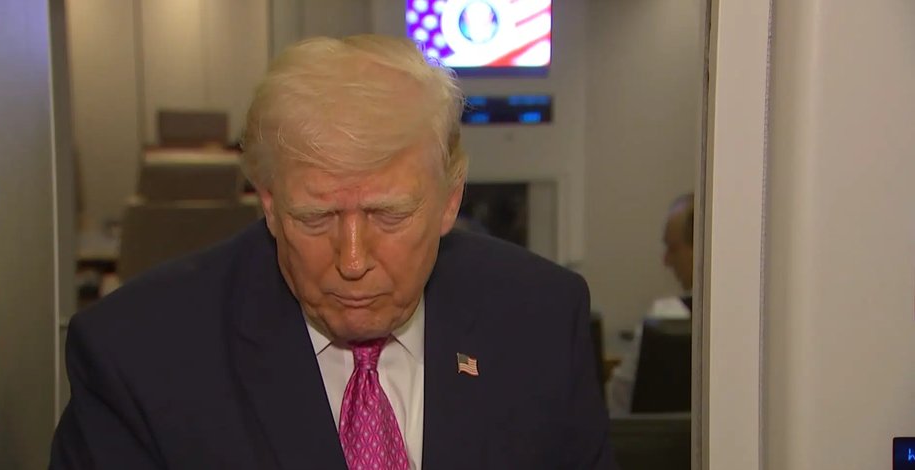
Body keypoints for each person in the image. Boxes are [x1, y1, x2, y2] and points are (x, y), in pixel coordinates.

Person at [50, 35, 616, 469]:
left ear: (450, 199)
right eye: (315, 217)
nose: (352, 260)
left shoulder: (541, 319)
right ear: (270, 204)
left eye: (388, 215)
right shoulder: (135, 358)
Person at [606, 193, 694, 416]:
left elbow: (618, 402)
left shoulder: (666, 315)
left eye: (673, 248)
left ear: (700, 247)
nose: (666, 261)